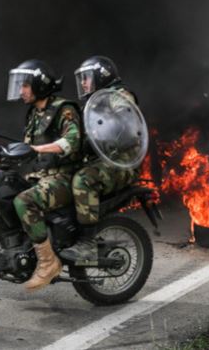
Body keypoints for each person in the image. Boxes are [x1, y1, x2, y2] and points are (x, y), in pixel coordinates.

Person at [8, 59, 82, 291]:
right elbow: (27, 147)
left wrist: (39, 149)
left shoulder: (64, 109)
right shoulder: (34, 114)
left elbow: (72, 140)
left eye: (25, 85)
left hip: (63, 177)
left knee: (24, 201)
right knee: (3, 191)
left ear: (39, 85)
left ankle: (49, 263)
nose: (21, 91)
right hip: (40, 175)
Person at [61, 56, 140, 263]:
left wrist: (104, 130)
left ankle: (87, 244)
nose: (84, 83)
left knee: (82, 181)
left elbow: (126, 126)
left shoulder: (118, 96)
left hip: (122, 164)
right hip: (102, 161)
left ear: (101, 76)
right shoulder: (95, 102)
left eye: (87, 78)